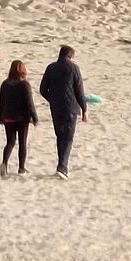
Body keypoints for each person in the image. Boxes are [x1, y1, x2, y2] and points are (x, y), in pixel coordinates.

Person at [39, 45, 87, 180]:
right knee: (68, 137)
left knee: (60, 136)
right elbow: (79, 90)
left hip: (56, 108)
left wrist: (52, 100)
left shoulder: (51, 68)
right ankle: (62, 167)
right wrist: (84, 109)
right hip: (71, 107)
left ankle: (61, 166)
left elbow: (42, 89)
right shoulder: (74, 68)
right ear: (71, 56)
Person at [0, 59, 38, 178]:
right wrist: (35, 117)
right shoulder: (24, 84)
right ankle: (21, 168)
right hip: (22, 118)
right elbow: (29, 103)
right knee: (22, 143)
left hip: (8, 117)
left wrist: (0, 116)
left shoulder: (5, 84)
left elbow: (2, 102)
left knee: (10, 142)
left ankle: (4, 163)